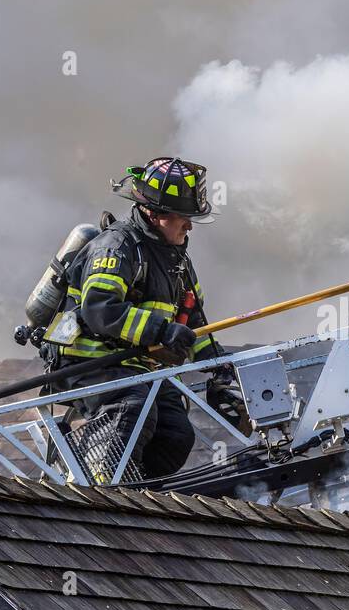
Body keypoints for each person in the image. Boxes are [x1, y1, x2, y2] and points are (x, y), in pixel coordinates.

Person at [56, 157, 229, 483]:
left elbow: (191, 321)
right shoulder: (117, 247)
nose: (189, 226)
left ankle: (132, 487)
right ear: (156, 214)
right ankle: (93, 485)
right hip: (93, 363)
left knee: (175, 434)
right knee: (131, 407)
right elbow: (100, 310)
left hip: (140, 368)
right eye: (185, 218)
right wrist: (160, 331)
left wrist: (215, 360)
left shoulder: (177, 261)